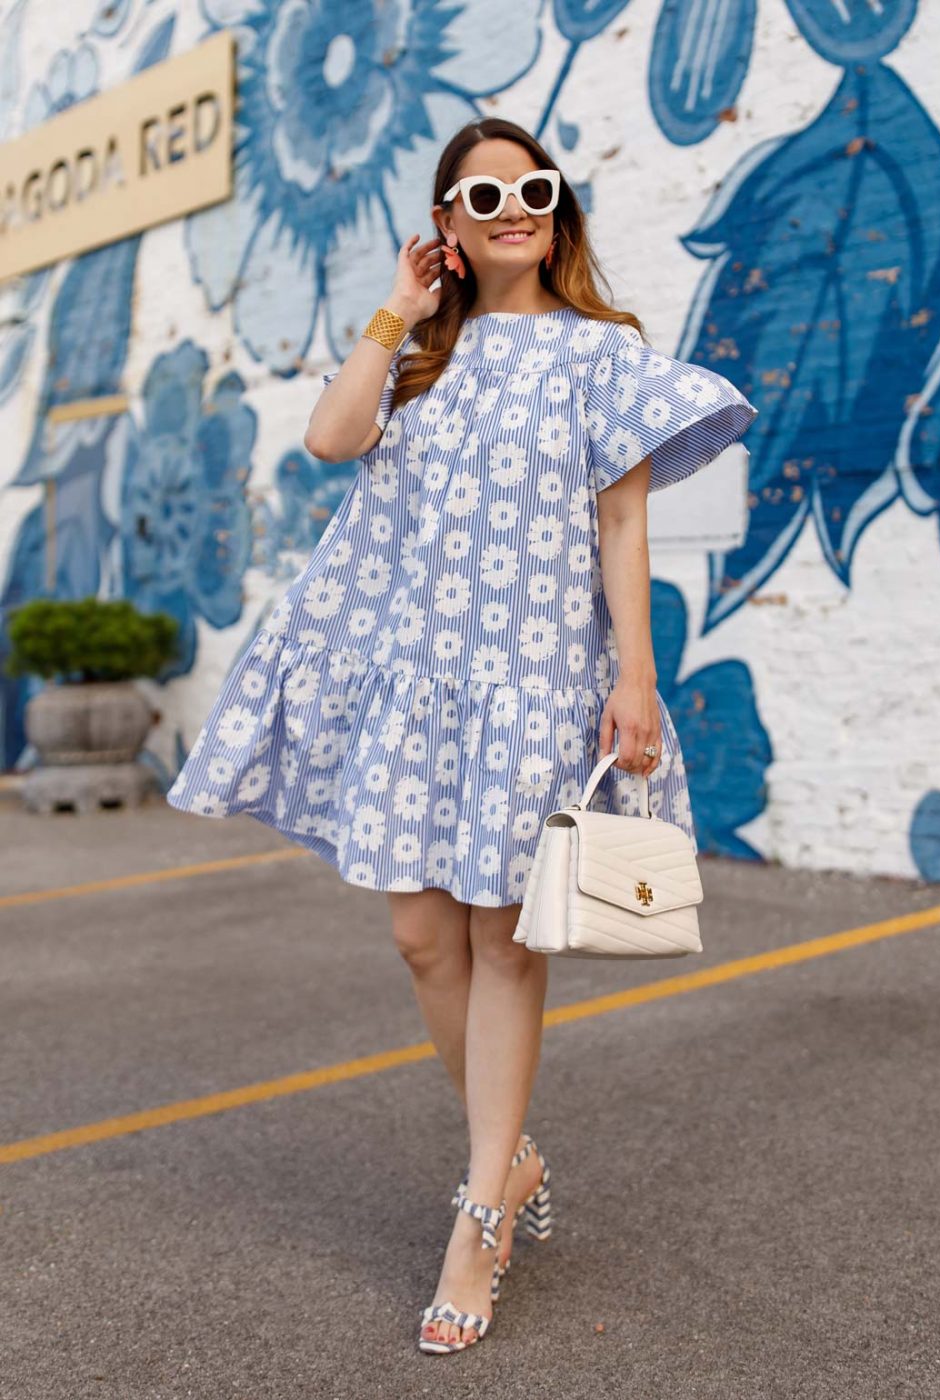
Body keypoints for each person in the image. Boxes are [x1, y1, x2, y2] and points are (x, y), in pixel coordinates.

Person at [166, 115, 756, 1355]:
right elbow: (330, 440)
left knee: (502, 935)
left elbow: (622, 530)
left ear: (559, 208)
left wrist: (636, 681)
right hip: (422, 679)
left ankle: (479, 1211)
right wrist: (395, 303)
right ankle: (518, 1153)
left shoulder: (602, 354)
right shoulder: (418, 358)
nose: (511, 207)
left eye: (532, 187)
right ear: (446, 222)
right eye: (481, 195)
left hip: (539, 676)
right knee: (422, 932)